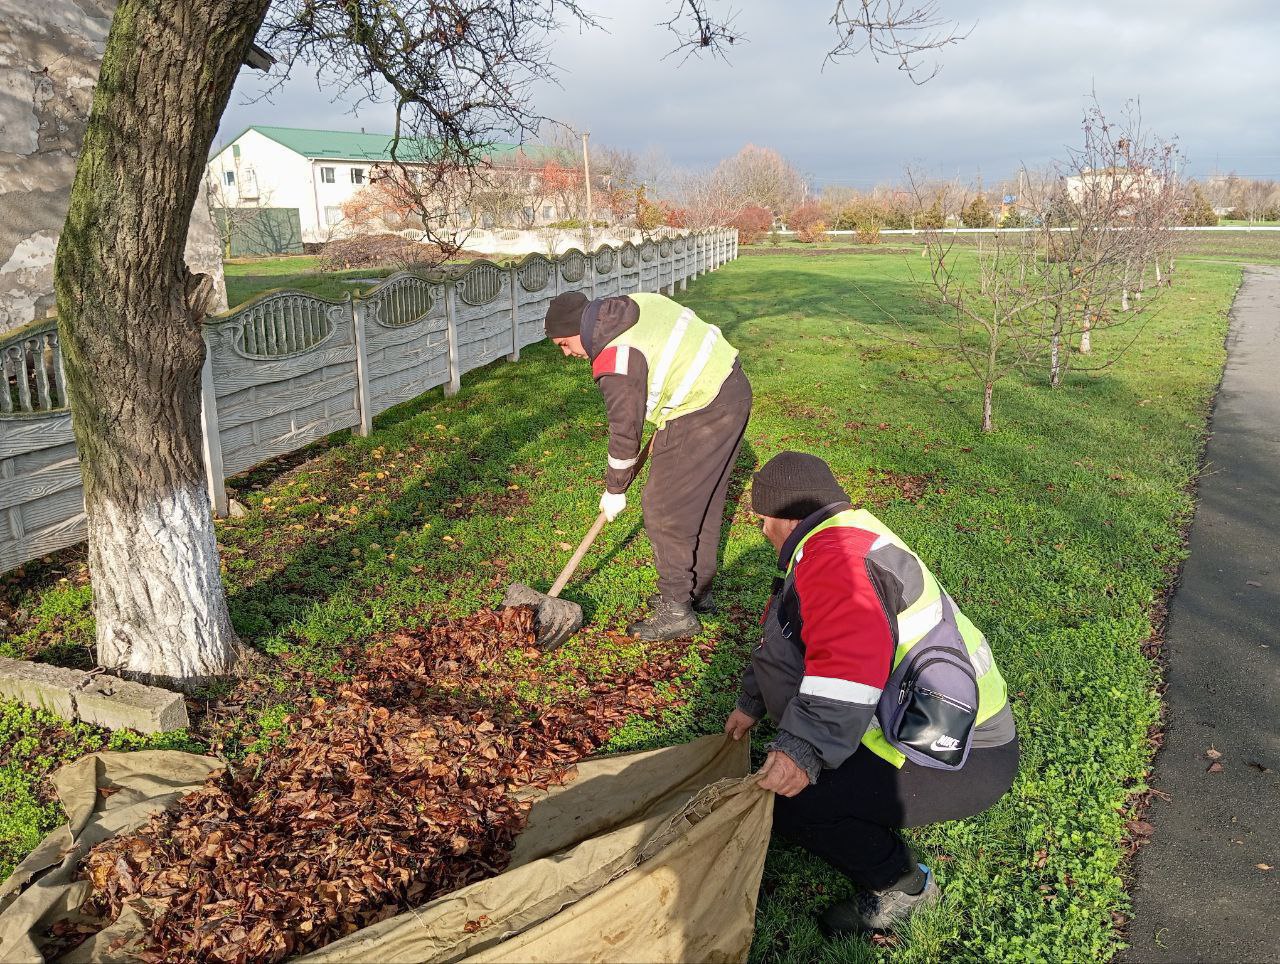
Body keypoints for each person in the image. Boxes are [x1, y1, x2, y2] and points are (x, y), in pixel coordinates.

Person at [724, 451, 1018, 935]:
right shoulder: (833, 540)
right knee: (801, 785)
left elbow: (847, 667)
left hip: (963, 753)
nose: (762, 532)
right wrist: (752, 701)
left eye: (762, 521)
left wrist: (802, 750)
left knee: (798, 804)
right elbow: (788, 636)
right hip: (923, 722)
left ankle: (904, 887)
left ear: (785, 517)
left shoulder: (836, 561)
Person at [543, 289, 752, 640]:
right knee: (701, 502)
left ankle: (677, 611)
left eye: (565, 344)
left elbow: (626, 431)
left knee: (664, 507)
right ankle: (695, 593)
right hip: (730, 387)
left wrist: (615, 489)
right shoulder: (633, 304)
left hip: (702, 407)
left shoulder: (616, 358)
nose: (567, 353)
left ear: (579, 329)